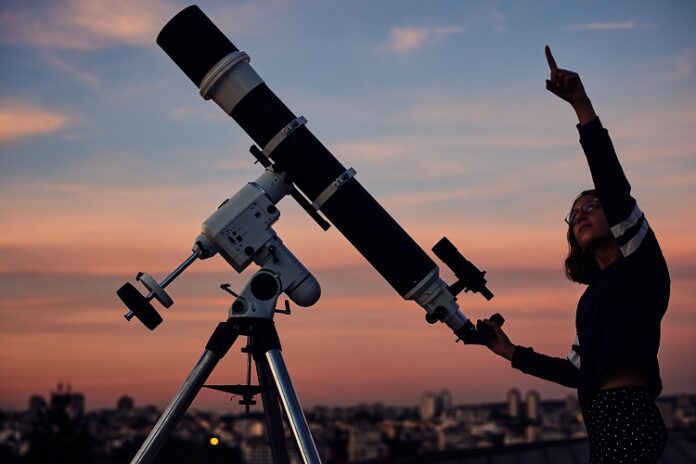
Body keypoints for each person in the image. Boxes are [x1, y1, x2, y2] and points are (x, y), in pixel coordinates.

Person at [479, 46, 670, 463]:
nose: (581, 215)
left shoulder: (640, 268)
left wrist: (581, 105)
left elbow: (613, 183)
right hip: (603, 427)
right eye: (574, 213)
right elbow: (574, 371)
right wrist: (510, 352)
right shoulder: (592, 300)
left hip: (628, 421)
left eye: (592, 206)